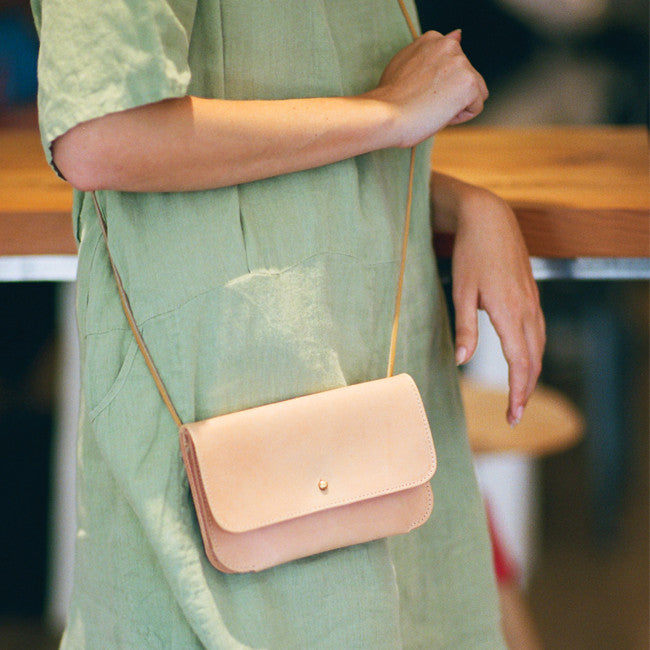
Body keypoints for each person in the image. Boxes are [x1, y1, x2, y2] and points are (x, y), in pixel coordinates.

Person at [32, 0, 544, 647]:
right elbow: (102, 136)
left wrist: (463, 201)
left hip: (356, 393)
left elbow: (296, 131)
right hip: (235, 412)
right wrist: (389, 113)